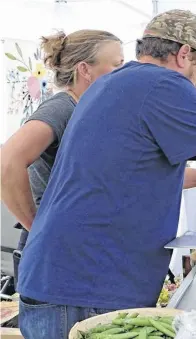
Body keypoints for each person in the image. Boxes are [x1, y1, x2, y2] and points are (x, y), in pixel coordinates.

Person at [13, 9, 196, 339]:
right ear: (184, 54)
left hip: (60, 283)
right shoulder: (166, 85)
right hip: (88, 290)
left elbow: (133, 172)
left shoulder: (108, 84)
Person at [0, 29, 124, 285]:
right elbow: (6, 163)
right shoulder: (60, 108)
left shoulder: (83, 110)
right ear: (85, 70)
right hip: (55, 252)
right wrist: (36, 226)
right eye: (116, 65)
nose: (122, 74)